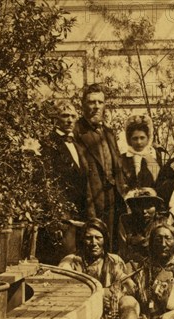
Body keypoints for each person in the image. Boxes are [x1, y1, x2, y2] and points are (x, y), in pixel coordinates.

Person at [58, 219, 140, 319]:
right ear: (82, 240)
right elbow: (64, 291)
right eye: (89, 238)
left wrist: (116, 293)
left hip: (110, 316)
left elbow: (130, 287)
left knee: (130, 302)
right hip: (83, 316)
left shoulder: (114, 261)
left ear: (105, 240)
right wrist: (100, 295)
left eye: (98, 238)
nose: (93, 242)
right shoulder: (71, 262)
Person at [36, 101, 93, 264]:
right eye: (64, 115)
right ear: (55, 118)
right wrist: (59, 217)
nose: (69, 120)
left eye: (73, 116)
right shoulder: (48, 144)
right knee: (59, 261)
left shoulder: (79, 145)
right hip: (60, 217)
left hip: (79, 215)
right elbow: (46, 183)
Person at [74, 83, 126, 251]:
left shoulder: (109, 133)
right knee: (91, 242)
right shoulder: (76, 132)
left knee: (111, 242)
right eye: (91, 102)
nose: (96, 107)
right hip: (90, 196)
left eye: (100, 102)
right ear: (83, 104)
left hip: (112, 196)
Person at [118, 187, 169, 269]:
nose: (144, 211)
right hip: (132, 264)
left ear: (156, 207)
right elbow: (123, 249)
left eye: (148, 206)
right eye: (140, 206)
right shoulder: (126, 221)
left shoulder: (162, 222)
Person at [120, 114, 162, 192]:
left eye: (142, 138)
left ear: (148, 138)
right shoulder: (122, 159)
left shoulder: (153, 158)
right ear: (129, 140)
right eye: (135, 138)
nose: (139, 142)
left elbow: (159, 183)